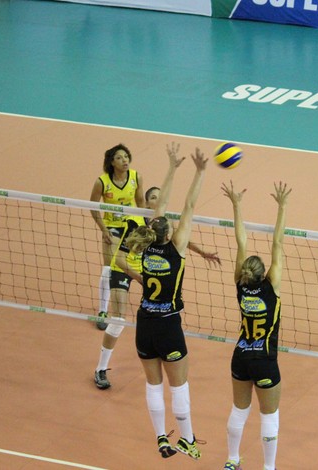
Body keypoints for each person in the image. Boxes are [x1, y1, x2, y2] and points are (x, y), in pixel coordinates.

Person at [93, 143, 221, 390]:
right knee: (119, 319)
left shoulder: (163, 224)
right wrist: (136, 275)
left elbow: (179, 241)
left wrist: (202, 251)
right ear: (148, 202)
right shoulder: (134, 220)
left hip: (146, 271)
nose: (155, 201)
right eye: (152, 197)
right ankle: (100, 368)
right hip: (125, 268)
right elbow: (118, 258)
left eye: (157, 198)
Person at [124, 148, 208, 460]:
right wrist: (199, 172)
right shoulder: (177, 248)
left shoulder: (145, 245)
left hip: (144, 322)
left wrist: (171, 167)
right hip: (169, 325)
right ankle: (187, 440)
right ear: (169, 231)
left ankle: (161, 438)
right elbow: (187, 205)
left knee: (153, 385)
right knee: (179, 386)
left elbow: (163, 207)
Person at [221, 180, 291, 470]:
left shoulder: (240, 284)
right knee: (269, 415)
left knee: (239, 410)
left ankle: (232, 460)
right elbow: (277, 242)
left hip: (240, 356)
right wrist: (282, 206)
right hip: (264, 360)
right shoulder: (271, 286)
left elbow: (241, 241)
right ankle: (269, 468)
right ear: (264, 274)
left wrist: (236, 204)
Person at [90, 143, 145, 330]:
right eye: (120, 158)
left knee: (140, 263)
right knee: (109, 267)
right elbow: (93, 206)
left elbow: (141, 202)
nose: (125, 160)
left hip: (132, 228)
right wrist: (103, 229)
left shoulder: (136, 177)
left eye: (126, 157)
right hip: (112, 227)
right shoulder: (102, 182)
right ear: (112, 162)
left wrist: (145, 225)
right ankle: (103, 311)